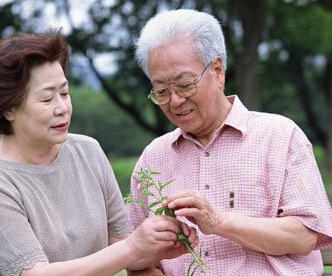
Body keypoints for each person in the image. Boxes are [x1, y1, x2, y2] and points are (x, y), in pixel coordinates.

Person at [0, 30, 198, 276]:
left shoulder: (88, 152)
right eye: (47, 99)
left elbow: (121, 244)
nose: (62, 108)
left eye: (64, 93)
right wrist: (132, 247)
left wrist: (158, 245)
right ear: (8, 109)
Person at [129, 9, 332, 275]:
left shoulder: (280, 136)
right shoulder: (153, 158)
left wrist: (218, 222)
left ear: (217, 70)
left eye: (185, 84)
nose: (175, 101)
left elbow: (305, 236)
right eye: (162, 91)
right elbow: (137, 260)